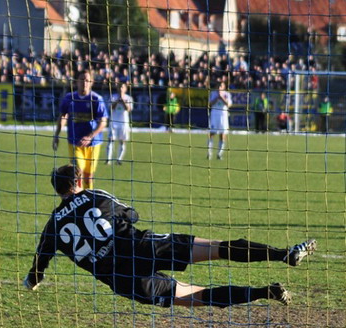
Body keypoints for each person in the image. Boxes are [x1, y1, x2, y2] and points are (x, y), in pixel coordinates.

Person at [23, 164, 317, 308]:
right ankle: (283, 254)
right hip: (144, 247)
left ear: (57, 190)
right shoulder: (94, 195)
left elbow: (39, 265)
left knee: (198, 295)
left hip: (124, 278)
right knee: (216, 248)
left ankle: (265, 292)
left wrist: (33, 281)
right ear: (77, 182)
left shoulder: (52, 227)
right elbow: (132, 214)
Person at [53, 70, 108, 190]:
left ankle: (89, 198)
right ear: (76, 82)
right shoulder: (69, 98)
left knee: (89, 176)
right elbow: (63, 116)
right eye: (82, 79)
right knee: (78, 172)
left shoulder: (96, 99)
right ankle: (79, 199)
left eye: (87, 80)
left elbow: (103, 122)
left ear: (91, 82)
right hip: (75, 142)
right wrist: (56, 135)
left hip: (94, 143)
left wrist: (90, 136)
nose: (84, 82)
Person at [106, 82, 133, 165]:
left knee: (122, 141)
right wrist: (118, 100)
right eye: (119, 87)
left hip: (124, 123)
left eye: (122, 87)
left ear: (125, 89)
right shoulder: (113, 97)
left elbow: (128, 109)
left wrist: (123, 101)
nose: (121, 88)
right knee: (110, 140)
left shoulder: (128, 98)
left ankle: (119, 159)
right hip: (114, 122)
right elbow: (110, 107)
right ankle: (108, 159)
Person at [208, 81, 232, 160]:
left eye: (220, 86)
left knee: (223, 135)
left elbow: (229, 104)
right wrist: (217, 98)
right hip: (214, 115)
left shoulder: (227, 94)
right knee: (212, 133)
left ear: (224, 87)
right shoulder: (213, 93)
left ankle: (219, 154)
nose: (219, 88)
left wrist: (222, 98)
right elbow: (210, 104)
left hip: (223, 116)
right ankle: (209, 153)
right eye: (218, 86)